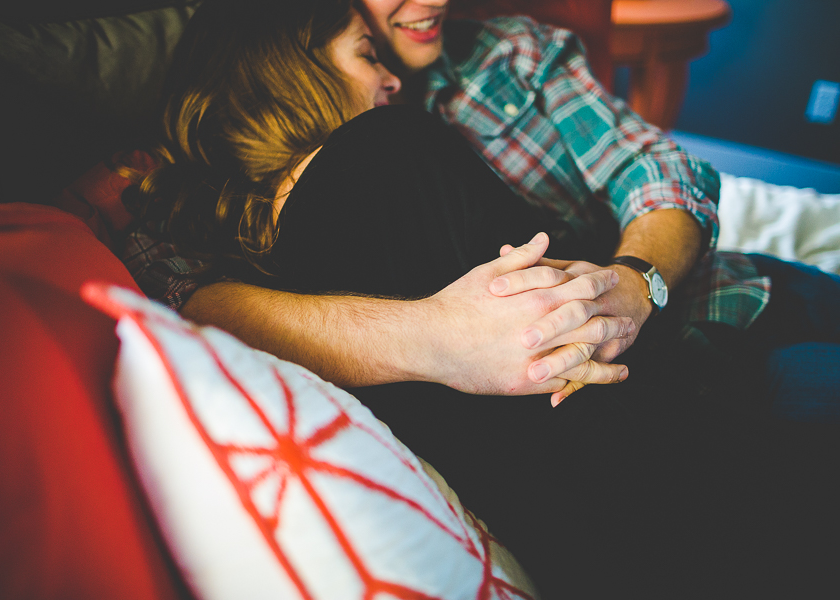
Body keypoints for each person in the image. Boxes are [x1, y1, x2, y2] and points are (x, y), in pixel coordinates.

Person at [121, 1, 839, 597]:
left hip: (732, 304)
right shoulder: (257, 203)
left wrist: (634, 283)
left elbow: (664, 171)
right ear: (290, 66)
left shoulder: (510, 55)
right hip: (676, 406)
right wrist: (435, 336)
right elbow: (193, 302)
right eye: (365, 50)